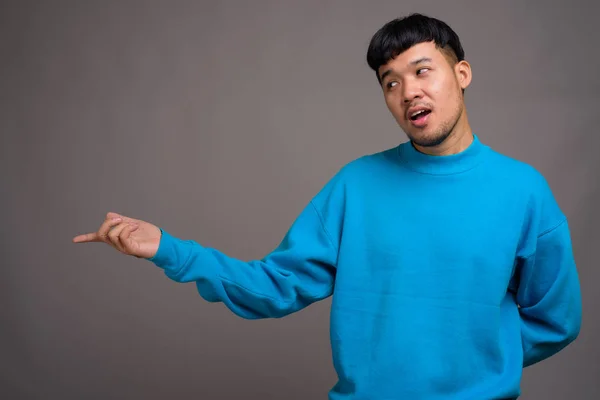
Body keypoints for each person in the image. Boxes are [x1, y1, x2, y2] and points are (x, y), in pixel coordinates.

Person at [72, 13, 582, 399]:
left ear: (462, 73)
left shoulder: (523, 191)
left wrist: (479, 360)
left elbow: (555, 320)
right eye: (391, 81)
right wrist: (168, 249)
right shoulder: (355, 186)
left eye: (422, 71)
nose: (408, 92)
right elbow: (273, 287)